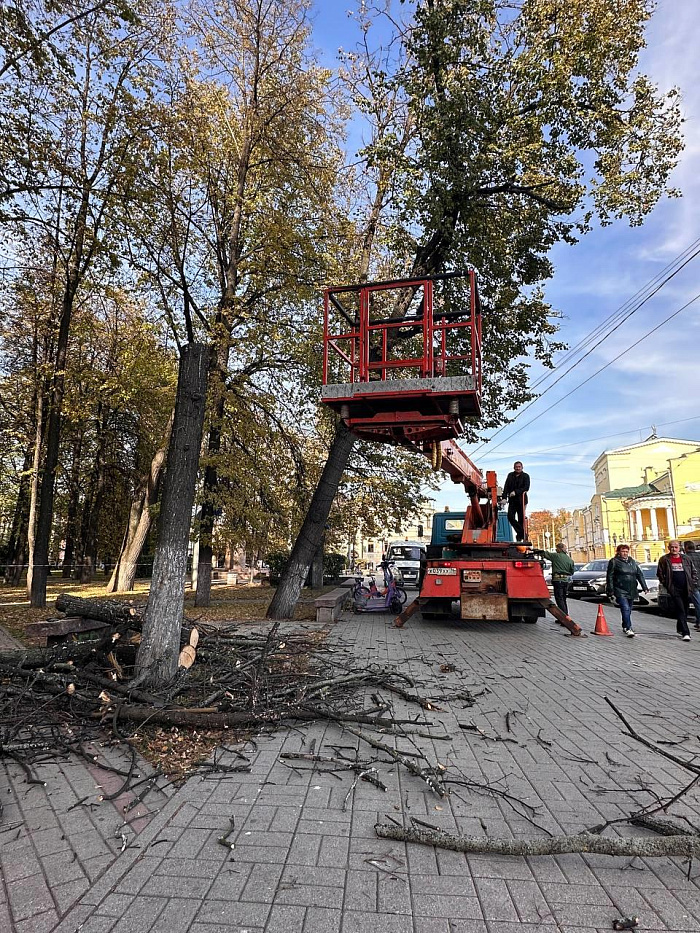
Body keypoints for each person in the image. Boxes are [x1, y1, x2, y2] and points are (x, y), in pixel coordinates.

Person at [657, 540, 698, 641]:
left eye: (676, 547)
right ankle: (686, 632)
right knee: (680, 609)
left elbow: (693, 572)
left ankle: (680, 628)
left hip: (686, 588)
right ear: (668, 548)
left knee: (685, 609)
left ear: (679, 548)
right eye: (672, 547)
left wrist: (693, 583)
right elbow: (660, 573)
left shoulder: (686, 558)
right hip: (674, 588)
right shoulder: (664, 559)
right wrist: (666, 584)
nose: (674, 549)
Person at [606, 543, 648, 638]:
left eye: (626, 551)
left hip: (632, 589)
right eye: (623, 551)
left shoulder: (632, 561)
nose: (625, 553)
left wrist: (644, 586)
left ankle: (625, 625)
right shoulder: (614, 561)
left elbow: (639, 574)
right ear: (618, 552)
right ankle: (629, 628)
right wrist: (611, 589)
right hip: (620, 589)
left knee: (628, 609)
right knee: (625, 608)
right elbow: (610, 576)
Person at [534, 541, 575, 616]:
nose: (556, 550)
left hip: (557, 580)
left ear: (560, 549)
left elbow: (545, 554)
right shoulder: (570, 560)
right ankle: (565, 615)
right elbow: (571, 572)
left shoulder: (556, 556)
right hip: (565, 581)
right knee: (563, 598)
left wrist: (537, 551)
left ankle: (564, 617)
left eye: (557, 549)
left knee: (559, 599)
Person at [502, 461, 530, 541]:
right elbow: (506, 487)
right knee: (510, 517)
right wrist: (504, 498)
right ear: (514, 467)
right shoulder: (510, 475)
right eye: (516, 467)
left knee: (521, 519)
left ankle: (519, 536)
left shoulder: (526, 476)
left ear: (522, 467)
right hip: (512, 501)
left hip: (521, 500)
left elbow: (526, 487)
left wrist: (516, 492)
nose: (518, 468)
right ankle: (521, 533)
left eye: (519, 467)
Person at [682, 541, 700, 630]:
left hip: (692, 584)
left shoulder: (685, 558)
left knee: (698, 604)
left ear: (686, 547)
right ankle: (697, 622)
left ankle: (699, 622)